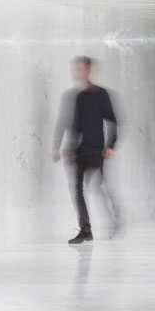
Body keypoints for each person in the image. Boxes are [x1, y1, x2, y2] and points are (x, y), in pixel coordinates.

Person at [52, 55, 121, 245]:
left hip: (96, 150)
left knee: (98, 187)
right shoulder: (75, 96)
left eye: (80, 69)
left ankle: (115, 217)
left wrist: (111, 145)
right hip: (78, 151)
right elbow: (68, 123)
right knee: (78, 190)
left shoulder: (101, 95)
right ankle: (85, 230)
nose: (76, 72)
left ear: (89, 71)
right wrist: (61, 147)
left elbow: (113, 121)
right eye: (75, 69)